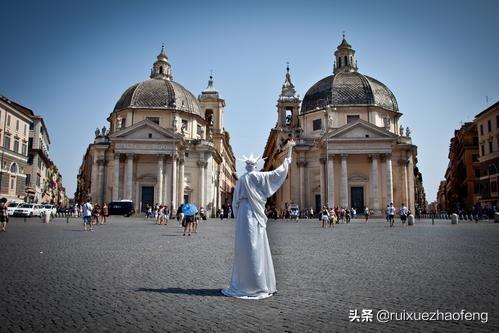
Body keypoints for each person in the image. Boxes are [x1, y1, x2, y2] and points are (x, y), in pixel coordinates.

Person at [222, 139, 295, 299]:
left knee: (244, 248)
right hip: (255, 214)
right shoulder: (260, 178)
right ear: (255, 165)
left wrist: (237, 213)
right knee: (258, 246)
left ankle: (244, 283)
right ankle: (260, 283)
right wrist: (288, 158)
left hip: (243, 214)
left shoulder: (241, 180)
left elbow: (234, 203)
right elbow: (277, 173)